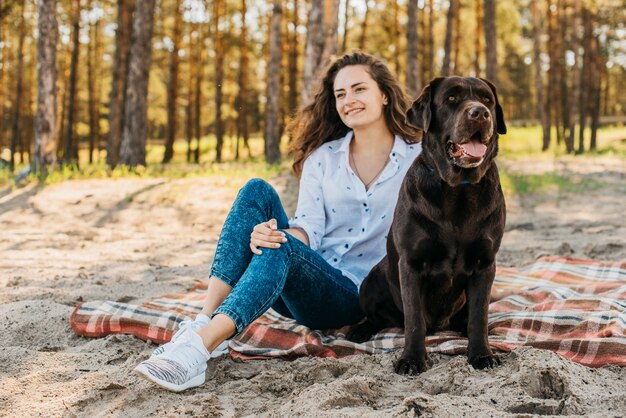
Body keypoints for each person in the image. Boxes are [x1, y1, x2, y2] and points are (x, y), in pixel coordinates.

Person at [133, 51, 422, 392]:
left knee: (281, 247)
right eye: (340, 94)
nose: (349, 100)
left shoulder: (417, 157)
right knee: (257, 192)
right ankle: (202, 323)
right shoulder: (322, 159)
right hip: (309, 281)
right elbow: (309, 229)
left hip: (360, 294)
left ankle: (199, 347)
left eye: (359, 89)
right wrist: (272, 235)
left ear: (384, 94)